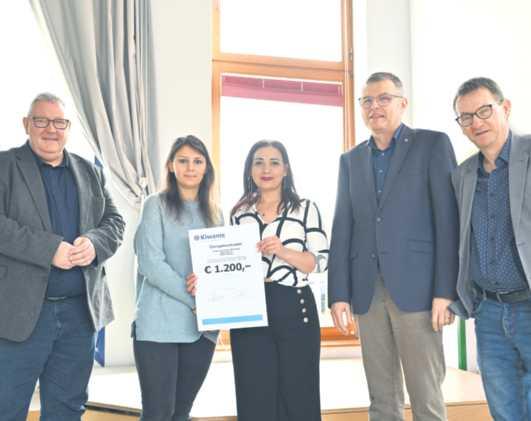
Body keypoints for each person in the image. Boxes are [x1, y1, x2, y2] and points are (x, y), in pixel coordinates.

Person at [328, 72, 459, 420]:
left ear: (403, 103)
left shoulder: (432, 145)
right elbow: (343, 228)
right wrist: (338, 293)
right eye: (367, 101)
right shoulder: (351, 160)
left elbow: (448, 223)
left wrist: (445, 291)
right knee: (381, 398)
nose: (375, 106)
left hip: (419, 292)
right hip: (367, 291)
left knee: (426, 396)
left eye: (384, 98)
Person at [0, 92, 125, 420]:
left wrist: (94, 244)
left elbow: (114, 221)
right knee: (6, 408)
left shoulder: (89, 171)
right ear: (26, 124)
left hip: (79, 316)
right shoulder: (4, 166)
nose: (50, 129)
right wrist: (49, 249)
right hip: (20, 316)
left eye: (59, 122)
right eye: (41, 120)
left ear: (68, 128)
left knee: (67, 410)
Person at [227, 140, 328, 421]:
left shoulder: (306, 208)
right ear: (250, 170)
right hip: (249, 309)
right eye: (258, 162)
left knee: (299, 395)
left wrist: (282, 251)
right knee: (253, 394)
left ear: (286, 169)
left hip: (294, 305)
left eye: (274, 162)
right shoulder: (239, 213)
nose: (266, 169)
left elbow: (319, 262)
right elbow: (230, 266)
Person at [450, 77, 531, 420]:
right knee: (504, 412)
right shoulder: (463, 175)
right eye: (466, 117)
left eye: (484, 111)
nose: (476, 122)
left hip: (528, 304)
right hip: (489, 313)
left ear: (505, 108)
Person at [133, 135, 222, 421]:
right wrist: (195, 301)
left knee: (181, 414)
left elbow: (221, 268)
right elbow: (151, 264)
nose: (190, 167)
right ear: (171, 165)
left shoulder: (216, 214)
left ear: (206, 168)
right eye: (183, 161)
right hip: (158, 326)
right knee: (158, 414)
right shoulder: (155, 205)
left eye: (197, 161)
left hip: (202, 331)